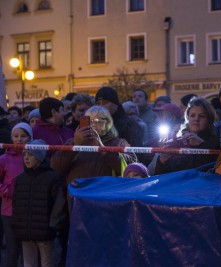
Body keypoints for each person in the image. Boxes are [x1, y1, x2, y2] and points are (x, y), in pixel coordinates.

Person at [12, 139, 67, 267]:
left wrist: (53, 224)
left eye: (30, 154)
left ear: (40, 156)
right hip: (25, 230)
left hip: (45, 230)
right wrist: (17, 223)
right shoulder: (21, 179)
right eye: (25, 154)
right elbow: (16, 204)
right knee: (28, 263)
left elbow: (59, 204)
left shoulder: (52, 177)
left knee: (46, 262)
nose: (26, 158)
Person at [51, 105, 137, 185]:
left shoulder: (118, 143)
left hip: (106, 197)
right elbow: (56, 166)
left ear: (108, 123)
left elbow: (132, 167)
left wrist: (103, 149)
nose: (93, 125)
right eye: (89, 121)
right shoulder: (73, 142)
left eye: (98, 121)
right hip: (78, 197)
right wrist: (75, 144)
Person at [148, 97, 220, 175]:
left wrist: (201, 145)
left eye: (202, 116)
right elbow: (160, 175)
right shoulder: (176, 141)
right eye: (192, 115)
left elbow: (213, 167)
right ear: (187, 118)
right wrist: (161, 161)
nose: (196, 119)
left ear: (209, 119)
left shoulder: (216, 141)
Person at [0, 123, 32, 267]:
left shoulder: (34, 157)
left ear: (30, 138)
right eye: (16, 136)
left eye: (23, 136)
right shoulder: (3, 159)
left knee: (29, 252)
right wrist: (6, 190)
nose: (19, 139)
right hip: (9, 210)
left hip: (29, 210)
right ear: (11, 138)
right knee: (13, 250)